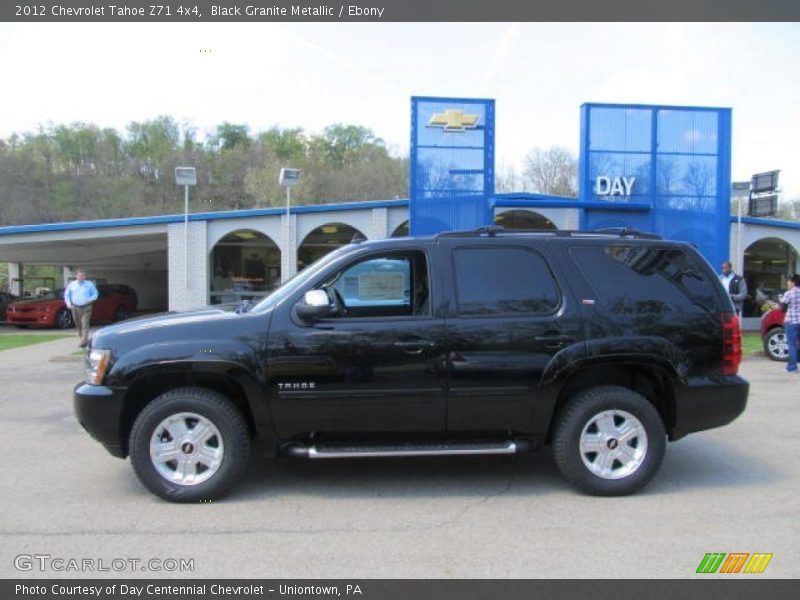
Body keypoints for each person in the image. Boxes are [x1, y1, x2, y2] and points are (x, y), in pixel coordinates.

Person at [64, 269, 99, 348]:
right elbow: (67, 295)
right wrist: (68, 303)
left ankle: (83, 341)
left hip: (86, 307)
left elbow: (95, 293)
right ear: (76, 276)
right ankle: (83, 340)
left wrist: (90, 299)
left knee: (85, 324)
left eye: (83, 276)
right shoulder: (72, 285)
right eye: (80, 275)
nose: (82, 277)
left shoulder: (89, 284)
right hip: (75, 307)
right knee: (78, 325)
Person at [780, 274, 800, 373]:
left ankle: (792, 367)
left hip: (791, 322)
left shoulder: (789, 293)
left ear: (793, 282)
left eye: (788, 281)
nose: (787, 283)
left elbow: (782, 308)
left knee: (792, 345)